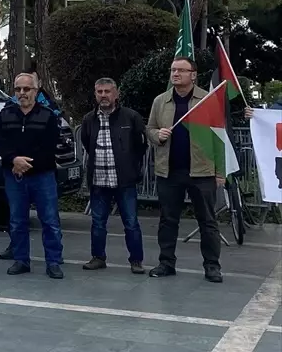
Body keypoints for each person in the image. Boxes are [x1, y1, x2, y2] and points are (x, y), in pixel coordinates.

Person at [146, 57, 221, 282]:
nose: (175, 74)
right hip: (169, 171)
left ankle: (212, 266)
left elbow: (220, 137)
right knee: (168, 220)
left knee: (207, 221)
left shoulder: (207, 100)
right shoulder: (161, 101)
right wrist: (156, 135)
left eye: (181, 70)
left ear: (193, 75)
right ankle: (166, 263)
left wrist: (221, 172)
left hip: (202, 171)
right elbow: (149, 127)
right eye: (173, 70)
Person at [0, 73, 65, 279]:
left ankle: (53, 262)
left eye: (27, 89)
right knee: (17, 221)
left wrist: (25, 163)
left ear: (36, 91)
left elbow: (50, 146)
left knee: (50, 221)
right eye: (18, 89)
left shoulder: (48, 115)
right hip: (14, 176)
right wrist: (13, 160)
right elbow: (0, 143)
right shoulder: (5, 114)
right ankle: (21, 260)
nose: (22, 93)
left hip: (42, 176)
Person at [78, 78, 146, 274]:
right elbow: (86, 142)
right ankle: (98, 257)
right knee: (98, 222)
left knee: (131, 222)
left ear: (116, 94)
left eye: (107, 91)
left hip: (124, 180)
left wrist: (131, 167)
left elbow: (140, 146)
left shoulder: (131, 117)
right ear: (95, 94)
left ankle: (136, 260)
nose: (103, 95)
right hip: (99, 179)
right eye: (99, 92)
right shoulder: (88, 119)